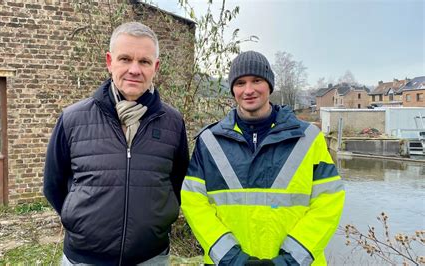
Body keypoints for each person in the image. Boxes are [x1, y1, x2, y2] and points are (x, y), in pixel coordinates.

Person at [44, 21, 189, 265]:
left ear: (156, 67)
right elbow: (53, 184)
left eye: (144, 61)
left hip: (150, 257)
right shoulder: (73, 119)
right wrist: (81, 223)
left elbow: (178, 183)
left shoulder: (173, 122)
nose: (134, 69)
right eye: (125, 59)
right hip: (85, 258)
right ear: (110, 62)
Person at [181, 51, 345, 265]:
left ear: (269, 85)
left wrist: (287, 261)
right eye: (240, 83)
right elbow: (194, 204)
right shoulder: (209, 142)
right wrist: (234, 260)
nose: (248, 90)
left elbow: (328, 202)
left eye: (256, 80)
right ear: (232, 90)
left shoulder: (308, 138)